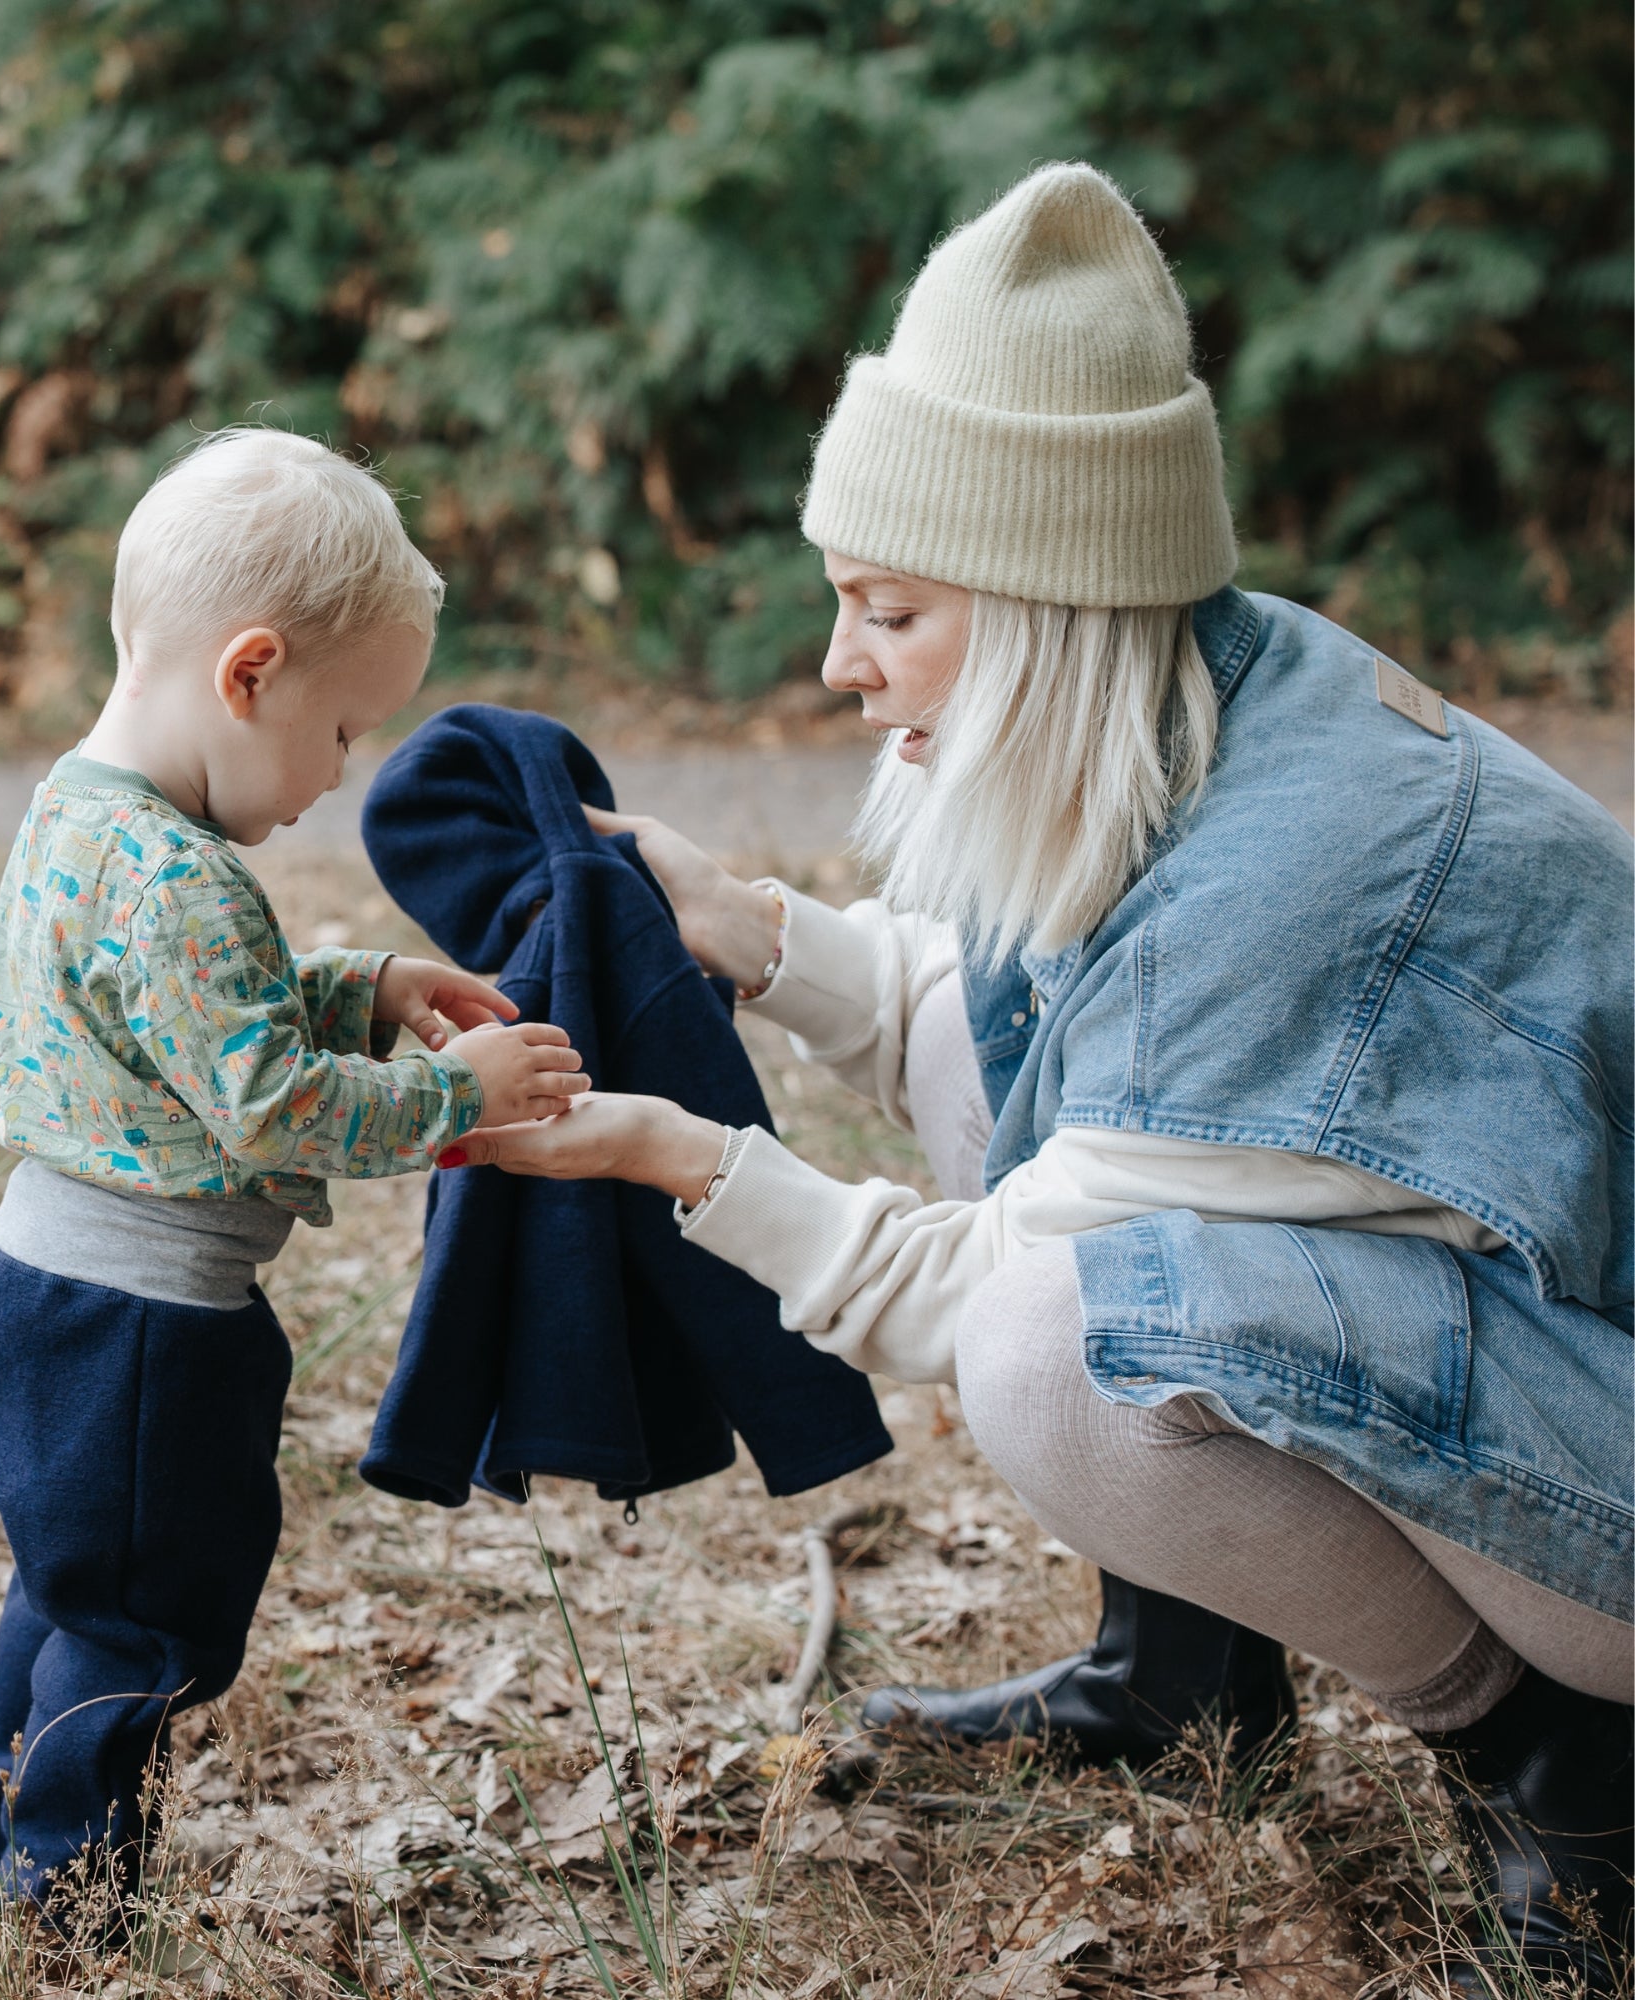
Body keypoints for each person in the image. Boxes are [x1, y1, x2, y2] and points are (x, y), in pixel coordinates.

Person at [441, 165, 1634, 1994]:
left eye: (888, 610)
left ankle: (1567, 1770)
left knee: (1053, 1346)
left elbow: (990, 1292)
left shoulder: (1273, 893)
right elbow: (1003, 1029)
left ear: (1048, 594)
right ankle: (1185, 1676)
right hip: (1574, 1369)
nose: (838, 664)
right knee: (1009, 1085)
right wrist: (748, 929)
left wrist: (685, 1161)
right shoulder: (1195, 699)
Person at [0, 430, 588, 1918]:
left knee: (70, 1582)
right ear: (250, 674)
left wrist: (357, 984)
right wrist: (447, 1093)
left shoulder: (83, 816)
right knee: (149, 1613)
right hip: (139, 1327)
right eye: (348, 730)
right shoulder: (183, 874)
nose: (341, 773)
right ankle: (66, 1889)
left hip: (41, 1287)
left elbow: (177, 1015)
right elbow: (271, 1110)